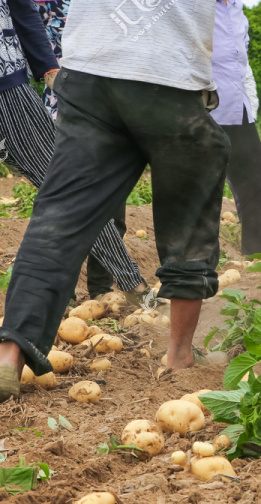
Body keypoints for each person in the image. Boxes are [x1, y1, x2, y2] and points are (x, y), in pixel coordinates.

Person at [0, 0, 236, 398]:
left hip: (90, 70)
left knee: (61, 216)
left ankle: (8, 358)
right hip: (166, 74)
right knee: (188, 213)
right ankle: (179, 355)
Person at [32, 0, 153, 305]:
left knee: (115, 209)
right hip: (67, 110)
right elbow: (30, 40)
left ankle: (101, 289)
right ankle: (62, 294)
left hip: (112, 109)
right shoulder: (47, 4)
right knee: (69, 206)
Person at [211, 0, 261, 256]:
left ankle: (258, 260)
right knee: (205, 189)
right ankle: (201, 268)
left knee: (258, 180)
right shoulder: (192, 6)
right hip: (203, 110)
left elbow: (240, 61)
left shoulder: (235, 7)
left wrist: (250, 102)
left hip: (238, 109)